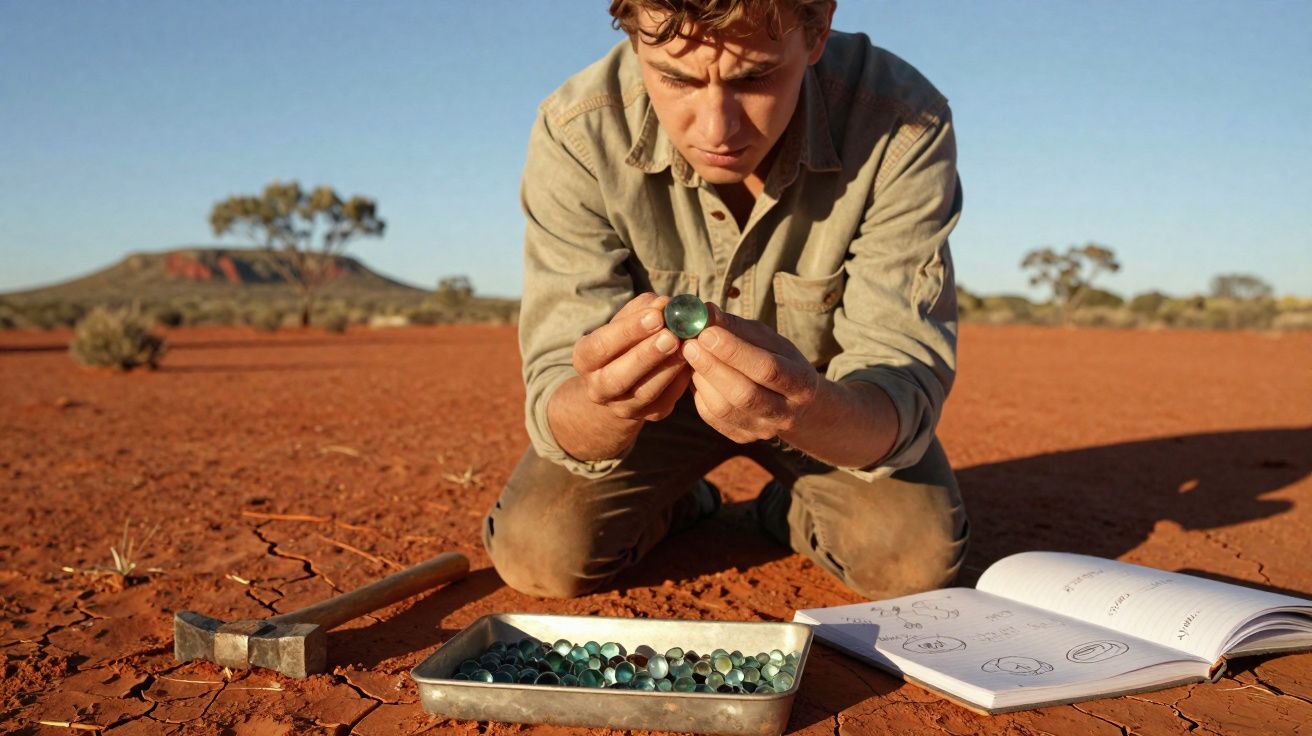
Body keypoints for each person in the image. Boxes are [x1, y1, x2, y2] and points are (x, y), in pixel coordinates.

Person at [483, 0, 968, 601]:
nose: (717, 129)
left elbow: (899, 380)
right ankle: (684, 500)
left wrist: (803, 408)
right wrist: (605, 402)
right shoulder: (577, 130)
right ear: (637, 43)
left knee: (907, 562)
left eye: (755, 77)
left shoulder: (902, 121)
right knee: (541, 553)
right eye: (677, 78)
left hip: (826, 400)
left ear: (816, 33)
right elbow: (559, 391)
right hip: (649, 415)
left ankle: (785, 507)